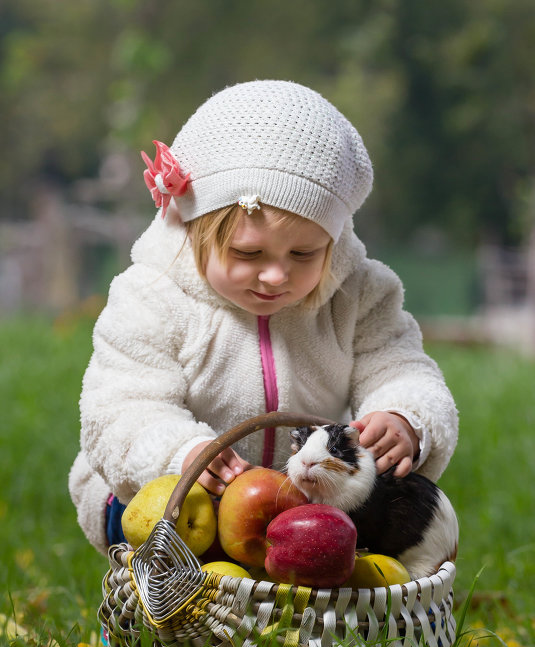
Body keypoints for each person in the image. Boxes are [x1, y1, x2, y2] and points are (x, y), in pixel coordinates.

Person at [69, 80, 458, 555]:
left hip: (311, 497)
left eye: (303, 252)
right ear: (194, 228)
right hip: (177, 500)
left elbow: (402, 366)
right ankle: (152, 609)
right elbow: (120, 409)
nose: (276, 275)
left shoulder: (357, 296)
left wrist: (405, 417)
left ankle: (324, 612)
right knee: (168, 531)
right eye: (247, 252)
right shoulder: (151, 296)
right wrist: (181, 455)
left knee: (378, 526)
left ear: (333, 244)